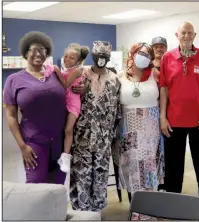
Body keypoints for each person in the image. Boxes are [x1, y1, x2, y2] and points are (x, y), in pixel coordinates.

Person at [159, 22, 199, 207]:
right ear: (177, 35)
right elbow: (164, 89)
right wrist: (162, 117)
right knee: (174, 168)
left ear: (194, 35)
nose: (186, 36)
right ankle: (173, 206)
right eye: (183, 32)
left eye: (189, 33)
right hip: (174, 122)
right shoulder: (167, 58)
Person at [3, 31, 66, 184]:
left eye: (43, 50)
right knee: (35, 186)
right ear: (25, 52)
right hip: (34, 144)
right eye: (34, 50)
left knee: (57, 186)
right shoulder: (14, 80)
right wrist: (22, 146)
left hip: (60, 142)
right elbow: (11, 115)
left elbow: (71, 93)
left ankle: (54, 210)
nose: (38, 54)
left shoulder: (55, 74)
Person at [69, 40, 122, 212]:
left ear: (109, 57)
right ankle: (82, 212)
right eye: (98, 55)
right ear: (92, 56)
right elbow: (69, 101)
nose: (101, 59)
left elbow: (117, 112)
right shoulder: (80, 75)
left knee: (100, 176)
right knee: (81, 176)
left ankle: (97, 211)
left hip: (103, 139)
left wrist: (110, 135)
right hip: (81, 138)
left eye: (105, 56)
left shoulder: (115, 80)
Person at [114, 42, 164, 220]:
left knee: (149, 167)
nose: (145, 57)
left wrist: (163, 118)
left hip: (151, 128)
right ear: (132, 54)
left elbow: (164, 100)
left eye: (148, 55)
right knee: (133, 167)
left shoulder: (155, 75)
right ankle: (137, 208)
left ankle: (150, 208)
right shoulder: (120, 77)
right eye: (141, 53)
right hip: (128, 128)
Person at [45, 43, 89, 173]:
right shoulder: (67, 71)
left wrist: (56, 70)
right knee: (62, 130)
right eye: (65, 56)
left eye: (71, 58)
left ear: (79, 61)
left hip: (73, 103)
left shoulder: (77, 71)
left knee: (68, 129)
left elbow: (65, 85)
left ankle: (66, 157)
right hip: (64, 103)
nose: (67, 59)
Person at [150, 36, 168, 192]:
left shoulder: (170, 65)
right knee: (153, 151)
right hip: (151, 114)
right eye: (156, 46)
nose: (159, 49)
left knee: (167, 151)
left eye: (162, 46)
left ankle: (165, 184)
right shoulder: (147, 69)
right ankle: (153, 183)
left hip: (170, 114)